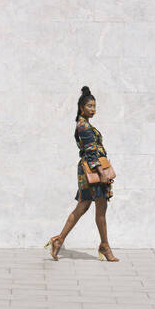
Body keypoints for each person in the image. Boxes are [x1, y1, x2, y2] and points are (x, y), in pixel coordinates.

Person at [44, 86, 119, 262]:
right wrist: (102, 173)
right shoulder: (84, 126)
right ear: (81, 108)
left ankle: (59, 240)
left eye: (94, 106)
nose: (93, 109)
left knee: (83, 206)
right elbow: (91, 151)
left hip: (88, 170)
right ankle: (104, 247)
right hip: (93, 171)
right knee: (99, 209)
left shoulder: (85, 124)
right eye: (90, 106)